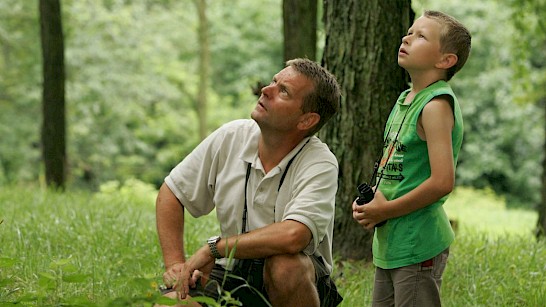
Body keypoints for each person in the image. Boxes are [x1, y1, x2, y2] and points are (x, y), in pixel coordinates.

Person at [155, 58, 343, 307]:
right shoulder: (232, 136)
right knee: (171, 303)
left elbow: (293, 235)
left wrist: (215, 249)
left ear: (306, 120)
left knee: (284, 265)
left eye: (283, 91)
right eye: (274, 81)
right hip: (230, 273)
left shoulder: (320, 162)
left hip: (298, 281)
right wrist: (177, 266)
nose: (266, 89)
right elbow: (172, 192)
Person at [352, 10, 471, 306]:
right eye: (409, 31)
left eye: (421, 36)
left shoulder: (435, 105)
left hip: (418, 242)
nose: (406, 38)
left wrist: (386, 210)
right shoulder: (404, 100)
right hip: (391, 242)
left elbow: (442, 181)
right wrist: (371, 203)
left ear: (445, 60)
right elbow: (395, 165)